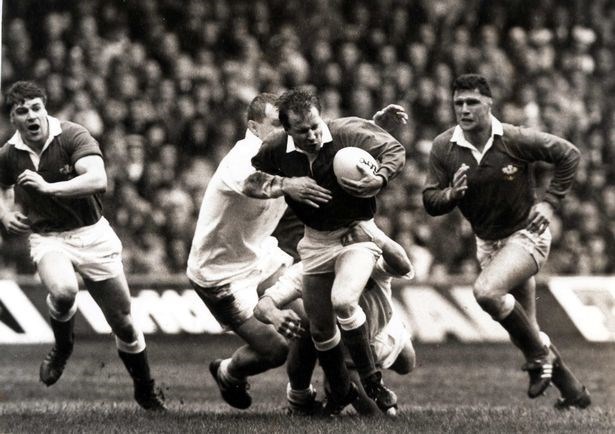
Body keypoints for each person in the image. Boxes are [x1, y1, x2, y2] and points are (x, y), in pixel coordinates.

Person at [186, 92, 408, 410]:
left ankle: (301, 400)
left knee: (312, 325)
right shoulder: (245, 155)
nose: (284, 131)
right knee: (275, 350)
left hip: (262, 256)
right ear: (254, 127)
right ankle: (227, 372)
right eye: (276, 124)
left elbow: (331, 147)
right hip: (220, 273)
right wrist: (287, 184)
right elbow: (250, 182)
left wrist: (371, 129)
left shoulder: (294, 147)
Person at [422, 73, 590, 409]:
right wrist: (451, 195)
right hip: (489, 245)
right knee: (525, 331)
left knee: (487, 292)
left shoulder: (513, 138)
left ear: (489, 103)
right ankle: (574, 393)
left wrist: (550, 202)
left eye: (472, 102)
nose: (464, 109)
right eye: (458, 103)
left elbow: (569, 154)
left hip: (527, 235)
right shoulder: (444, 147)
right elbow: (430, 200)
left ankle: (539, 357)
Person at [0, 81, 165, 410]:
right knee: (64, 291)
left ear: (45, 109)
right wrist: (4, 214)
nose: (31, 115)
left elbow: (97, 179)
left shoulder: (72, 135)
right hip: (48, 236)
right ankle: (63, 347)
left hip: (91, 233)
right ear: (13, 118)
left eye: (36, 108)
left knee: (123, 322)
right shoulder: (8, 153)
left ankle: (144, 387)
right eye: (22, 111)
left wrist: (49, 188)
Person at [254, 221, 416, 416]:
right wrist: (275, 315)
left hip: (384, 329)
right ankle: (335, 385)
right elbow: (262, 305)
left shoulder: (367, 253)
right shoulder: (308, 270)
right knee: (378, 416)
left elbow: (403, 266)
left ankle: (334, 386)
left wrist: (377, 235)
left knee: (408, 363)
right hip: (349, 351)